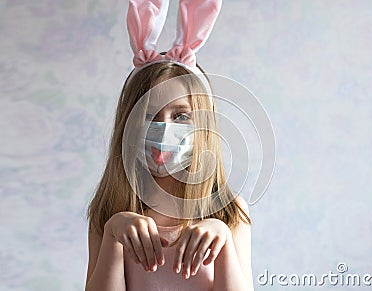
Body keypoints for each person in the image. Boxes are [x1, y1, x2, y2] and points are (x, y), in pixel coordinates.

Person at [85, 0, 254, 290]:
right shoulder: (109, 211)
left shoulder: (230, 212)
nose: (164, 131)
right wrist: (113, 234)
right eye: (148, 116)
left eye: (180, 116)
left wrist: (223, 238)